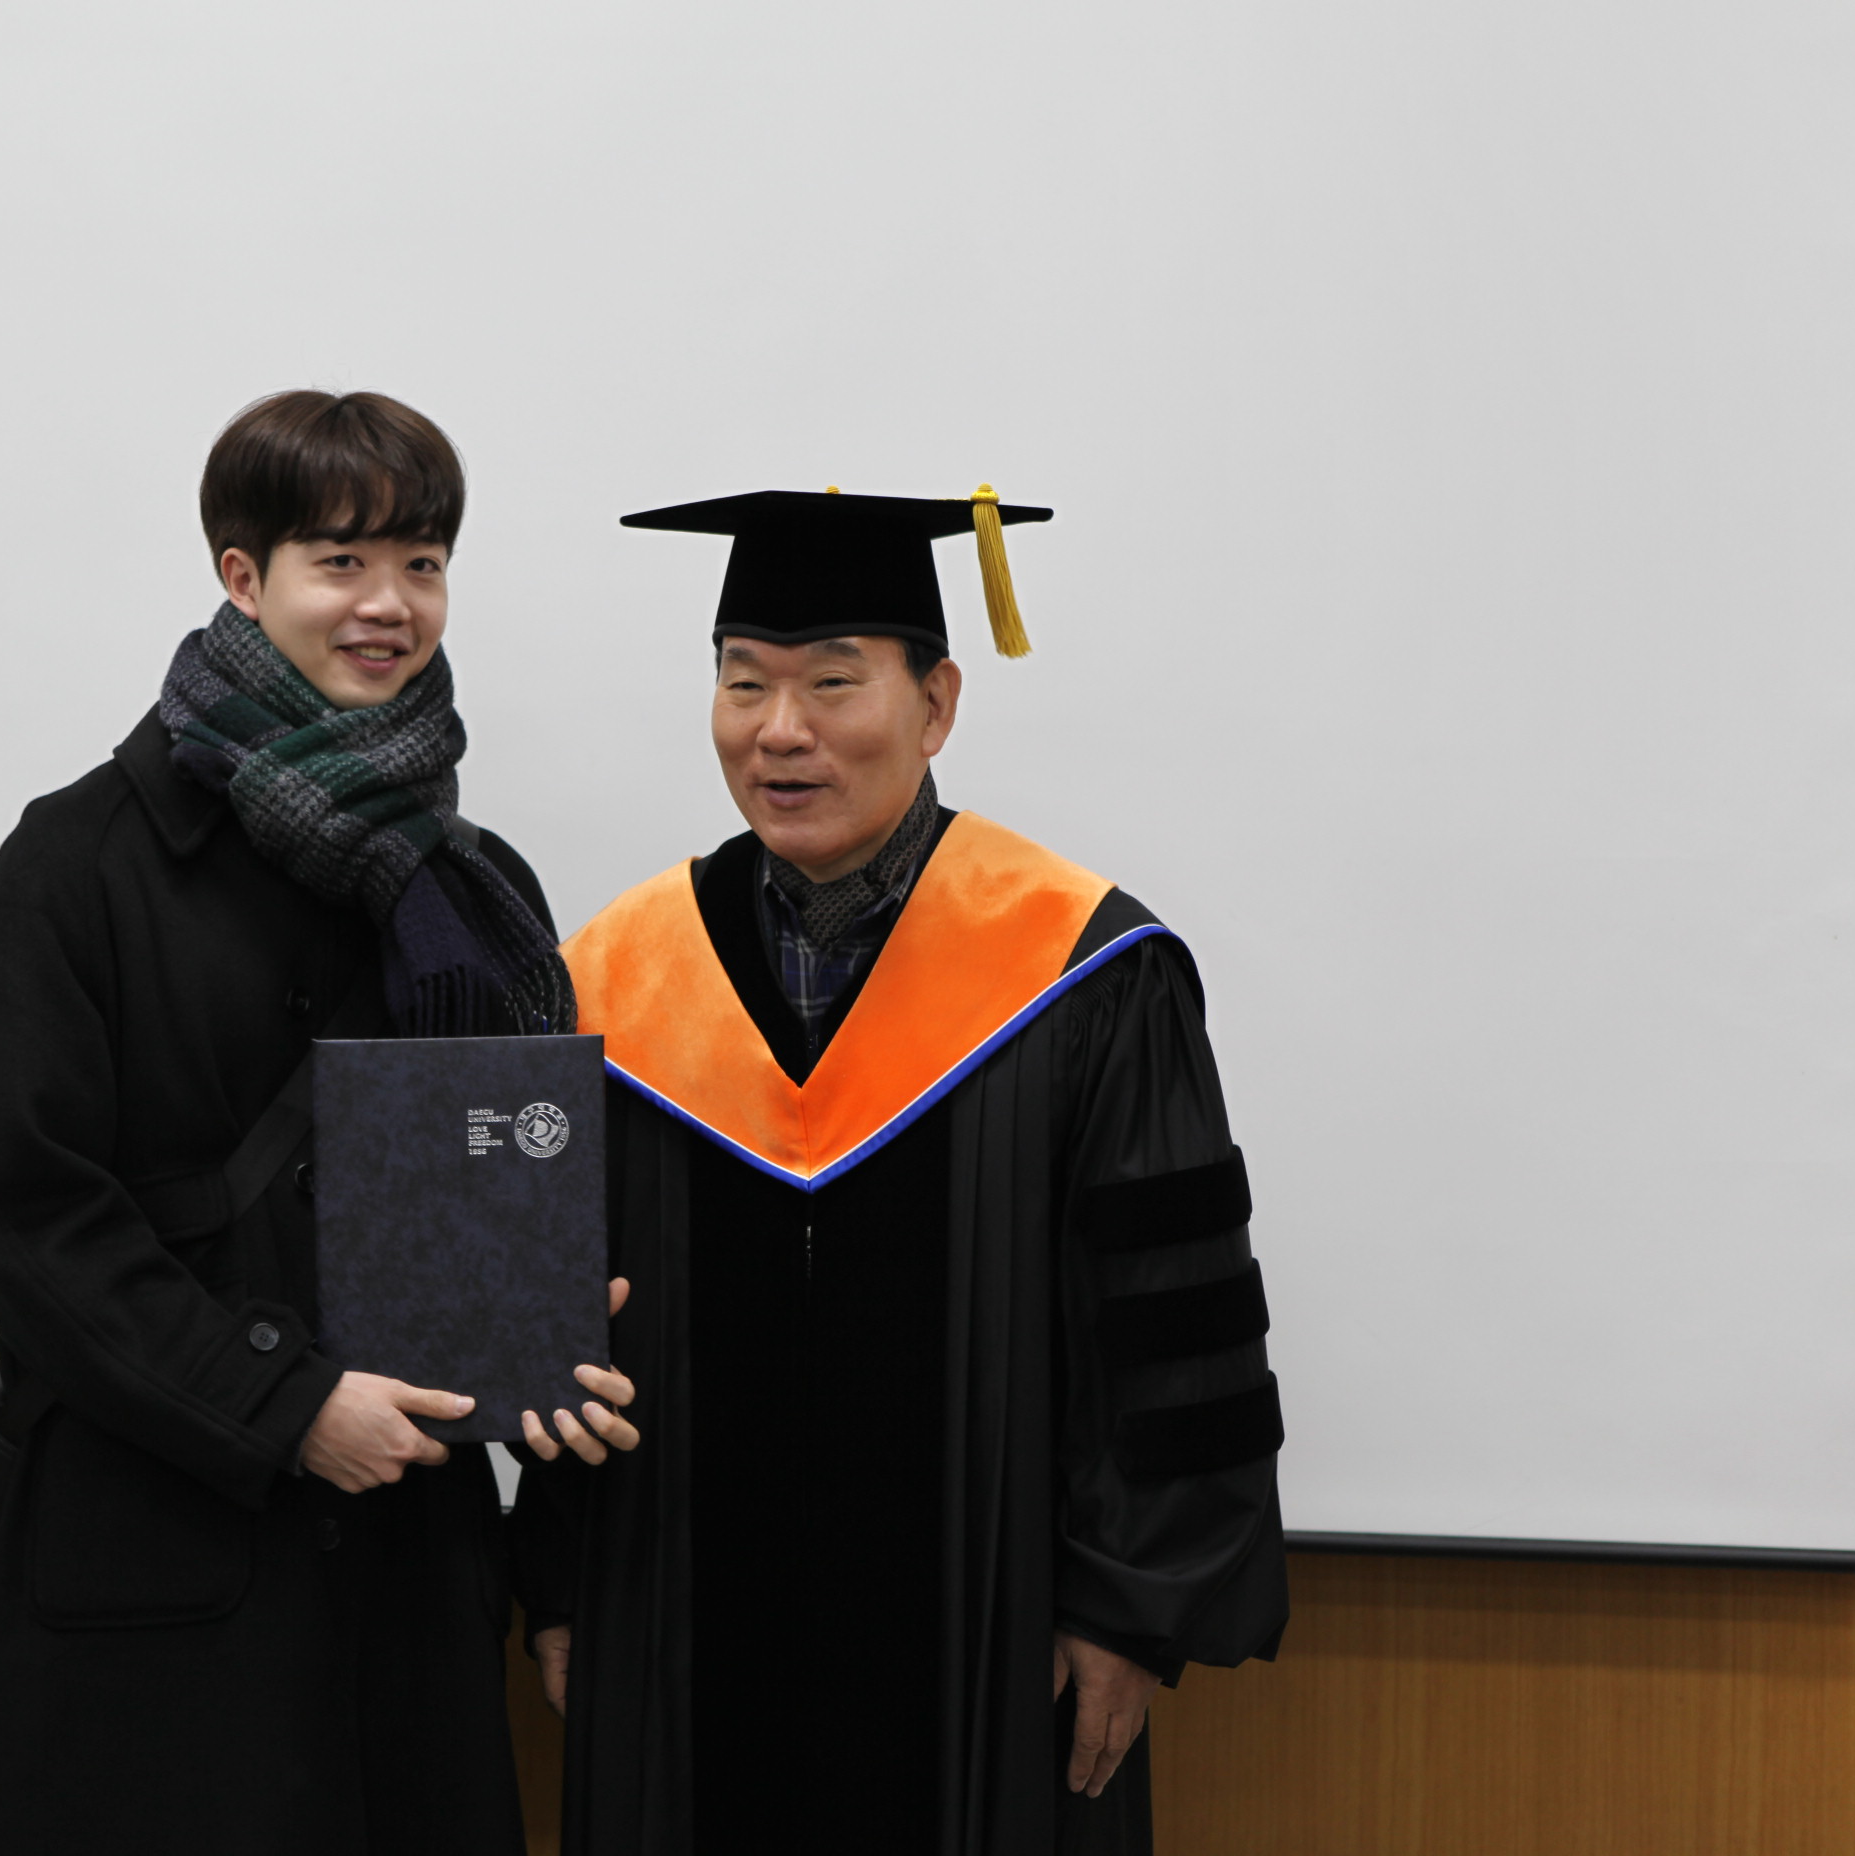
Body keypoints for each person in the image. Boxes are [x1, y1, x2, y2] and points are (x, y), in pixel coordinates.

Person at [514, 488, 1287, 1855]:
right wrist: (564, 1578)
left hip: (994, 1640)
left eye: (831, 682)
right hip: (682, 1633)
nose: (780, 729)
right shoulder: (614, 978)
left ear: (936, 705)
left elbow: (1166, 1331)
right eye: (743, 683)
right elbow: (565, 1321)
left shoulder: (1086, 971)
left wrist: (1127, 1610)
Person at [0, 389, 639, 1855]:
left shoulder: (471, 883)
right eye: (342, 562)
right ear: (243, 577)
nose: (390, 604)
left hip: (407, 1578)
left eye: (423, 563)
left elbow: (505, 1183)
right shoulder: (76, 862)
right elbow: (32, 1225)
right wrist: (286, 1406)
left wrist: (550, 1323)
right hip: (159, 1570)